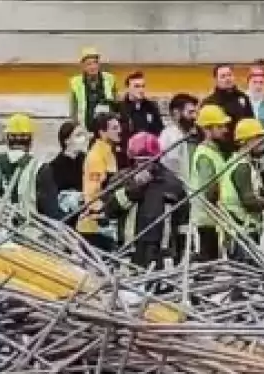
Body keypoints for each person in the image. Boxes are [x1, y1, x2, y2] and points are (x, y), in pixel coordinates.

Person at [110, 133, 189, 270]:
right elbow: (110, 210)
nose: (143, 165)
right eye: (139, 161)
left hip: (163, 256)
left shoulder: (172, 184)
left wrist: (184, 254)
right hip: (131, 253)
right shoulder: (123, 180)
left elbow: (183, 223)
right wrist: (133, 189)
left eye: (147, 160)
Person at [0, 113, 61, 221]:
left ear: (7, 139)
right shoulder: (41, 169)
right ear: (30, 140)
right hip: (29, 234)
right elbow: (52, 213)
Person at [219, 118, 264, 253]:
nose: (263, 145)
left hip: (236, 229)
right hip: (242, 231)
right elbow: (249, 202)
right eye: (259, 140)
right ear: (246, 142)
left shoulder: (235, 162)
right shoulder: (242, 168)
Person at [190, 104, 231, 262]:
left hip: (212, 219)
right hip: (207, 222)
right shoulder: (205, 155)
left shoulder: (213, 151)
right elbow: (209, 190)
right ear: (207, 129)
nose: (224, 130)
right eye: (219, 127)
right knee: (208, 265)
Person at [77, 112, 122, 251]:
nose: (119, 130)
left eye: (119, 127)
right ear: (102, 132)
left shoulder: (109, 152)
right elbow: (92, 191)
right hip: (94, 227)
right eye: (114, 128)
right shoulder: (96, 156)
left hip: (103, 222)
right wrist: (99, 214)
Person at [116, 72, 163, 166]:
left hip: (149, 159)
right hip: (126, 160)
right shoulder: (119, 109)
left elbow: (159, 131)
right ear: (128, 88)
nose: (141, 90)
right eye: (137, 86)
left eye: (143, 86)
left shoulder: (151, 107)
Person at [47, 120, 89, 220]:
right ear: (67, 140)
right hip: (68, 216)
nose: (83, 139)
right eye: (78, 135)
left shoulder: (87, 160)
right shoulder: (55, 166)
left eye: (83, 135)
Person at [69, 48, 117, 132]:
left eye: (95, 62)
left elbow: (116, 102)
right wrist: (75, 126)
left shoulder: (110, 78)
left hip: (107, 128)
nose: (93, 67)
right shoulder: (75, 82)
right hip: (85, 127)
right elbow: (74, 108)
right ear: (83, 66)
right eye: (89, 64)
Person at [159, 93, 200, 184]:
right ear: (176, 113)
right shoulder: (169, 136)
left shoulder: (190, 135)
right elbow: (174, 168)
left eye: (195, 112)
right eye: (190, 112)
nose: (194, 117)